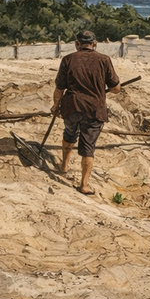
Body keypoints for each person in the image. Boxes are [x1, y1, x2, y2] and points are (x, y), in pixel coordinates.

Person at [52, 30, 120, 195]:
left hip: (71, 106)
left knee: (69, 133)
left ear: (77, 44)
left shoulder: (68, 59)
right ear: (94, 44)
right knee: (88, 147)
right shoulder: (104, 60)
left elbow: (59, 88)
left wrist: (55, 106)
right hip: (94, 109)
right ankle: (84, 185)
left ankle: (64, 166)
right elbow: (116, 88)